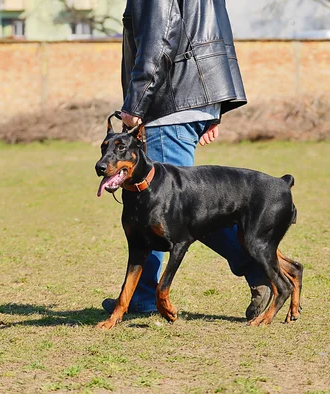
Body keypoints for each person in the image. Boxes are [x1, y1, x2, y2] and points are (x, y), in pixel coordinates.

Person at [101, 0, 271, 320]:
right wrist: (212, 104)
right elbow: (209, 33)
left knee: (182, 212)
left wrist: (137, 101)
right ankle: (141, 294)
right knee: (164, 209)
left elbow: (160, 38)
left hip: (168, 105)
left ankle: (260, 270)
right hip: (189, 98)